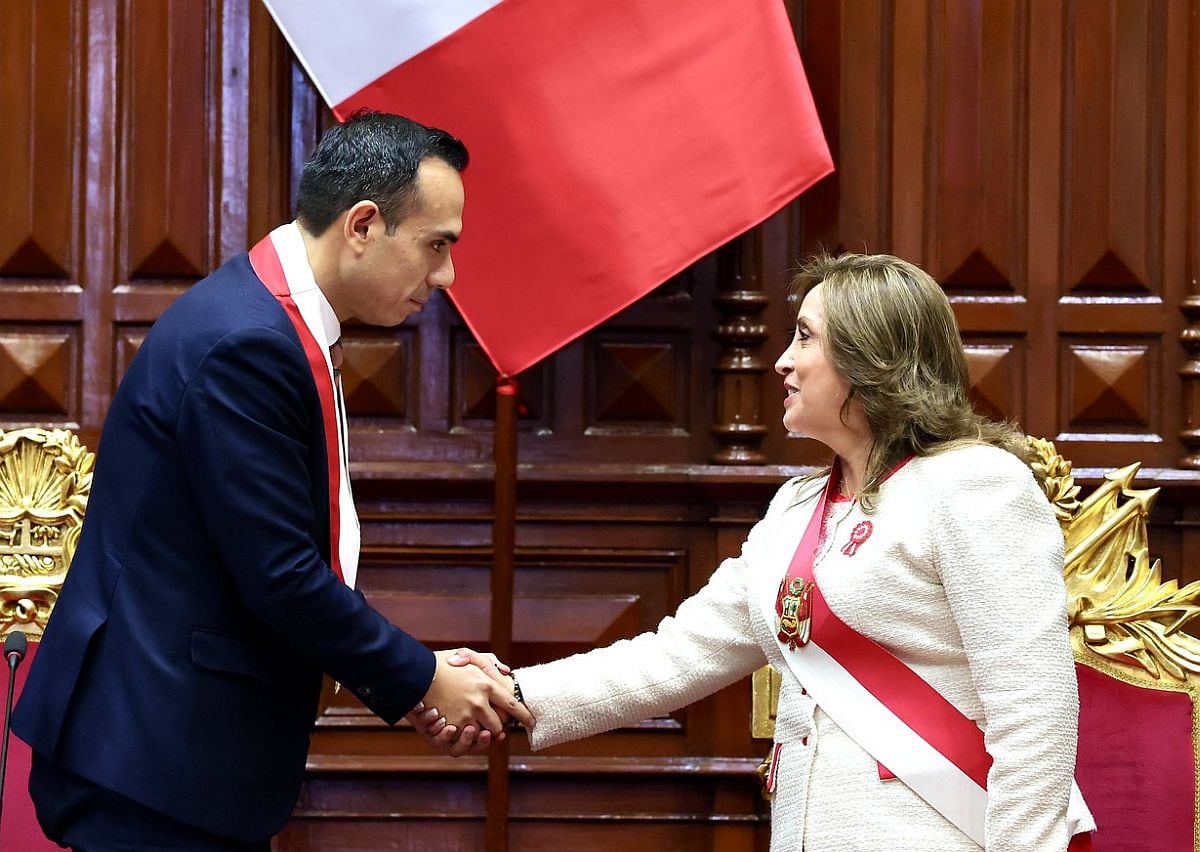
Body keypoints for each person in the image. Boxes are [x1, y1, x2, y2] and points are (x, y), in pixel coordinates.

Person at [441, 252, 1096, 850]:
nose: (782, 360)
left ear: (872, 360)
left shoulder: (973, 485)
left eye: (806, 337)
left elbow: (1035, 721)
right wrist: (517, 692)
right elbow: (676, 654)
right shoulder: (795, 510)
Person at [13, 111, 531, 851]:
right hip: (150, 768)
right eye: (436, 245)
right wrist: (424, 679)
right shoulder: (248, 343)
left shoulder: (267, 316)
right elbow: (281, 576)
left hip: (165, 758)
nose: (445, 276)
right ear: (361, 225)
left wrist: (419, 674)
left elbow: (281, 554)